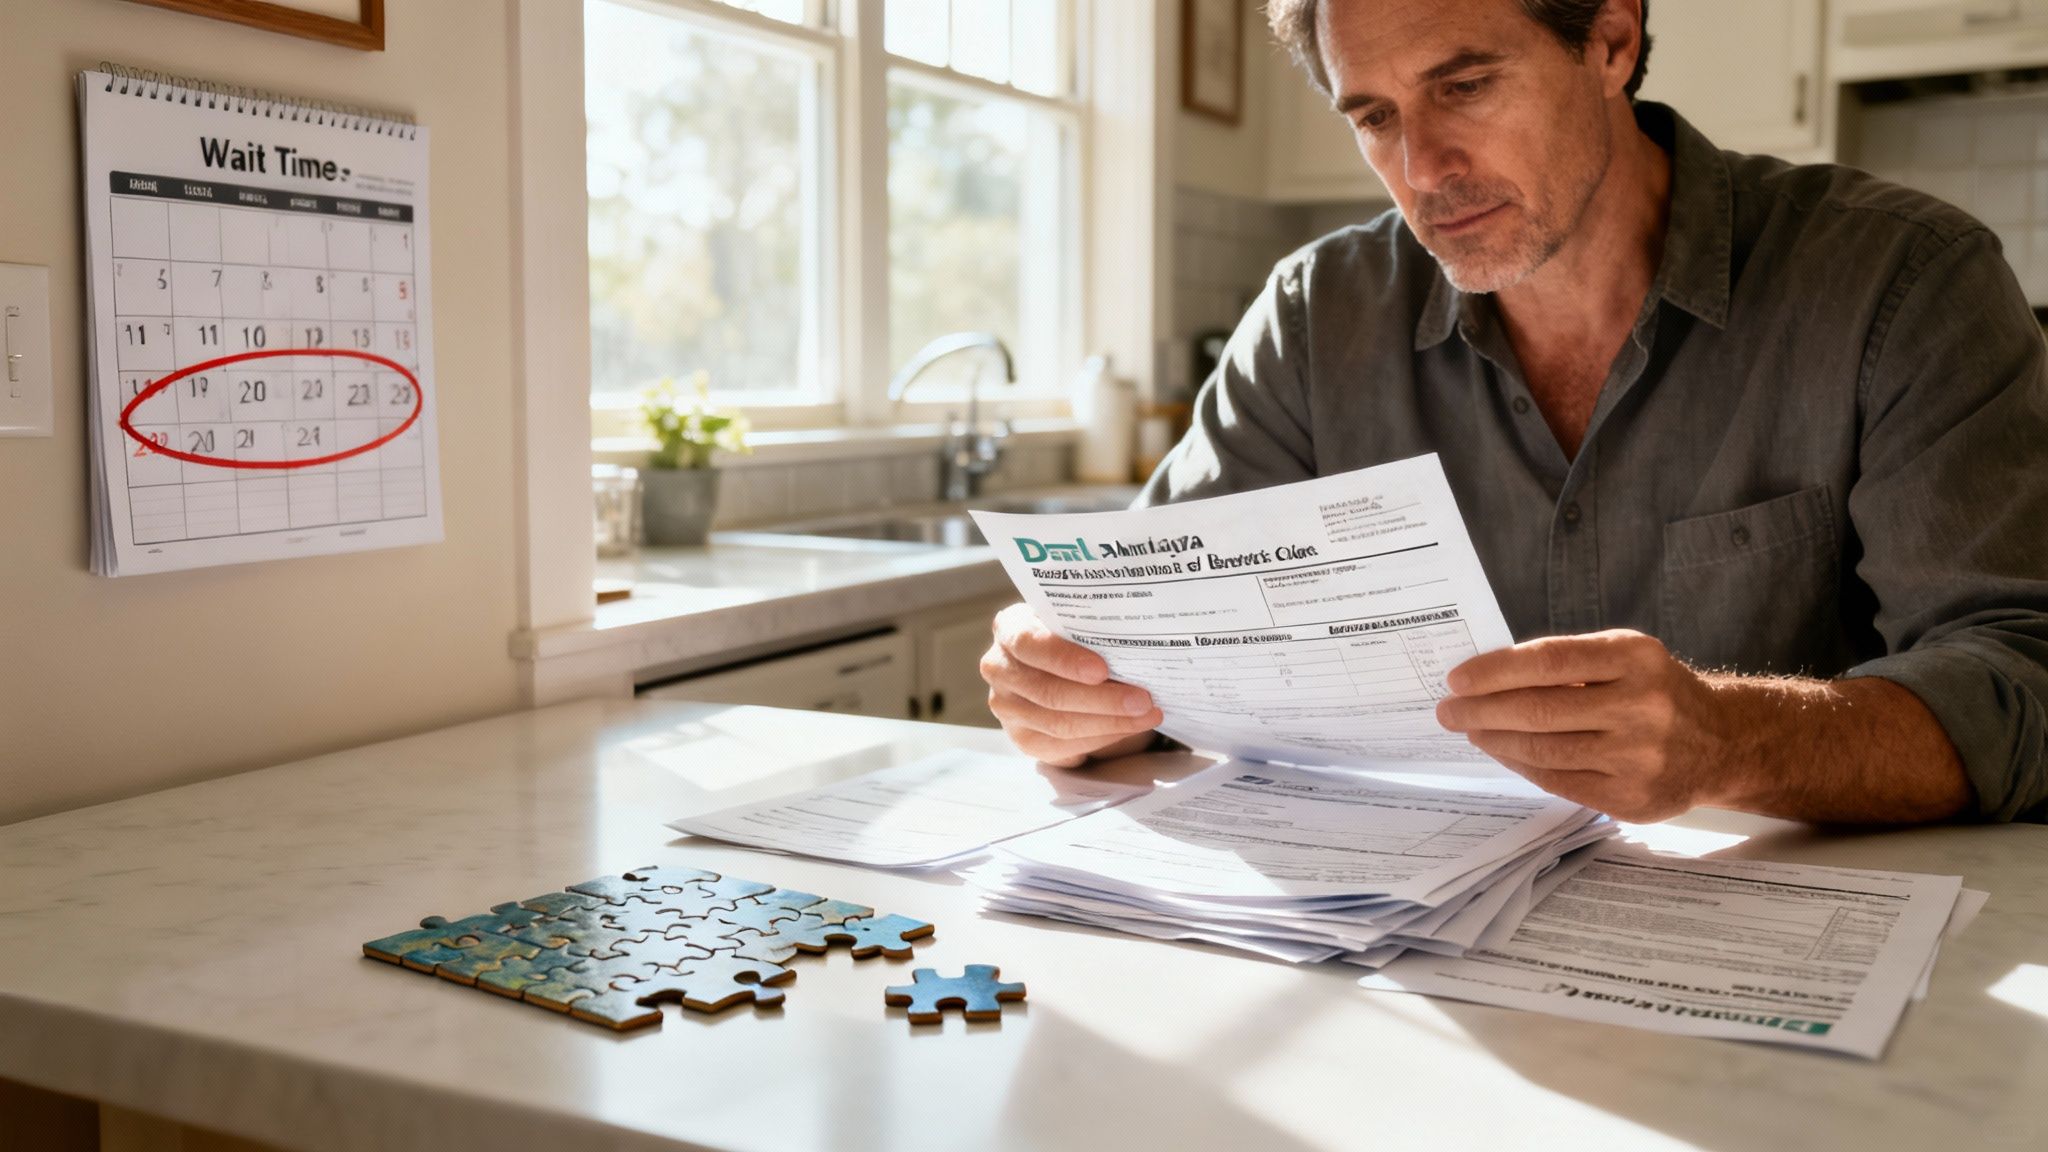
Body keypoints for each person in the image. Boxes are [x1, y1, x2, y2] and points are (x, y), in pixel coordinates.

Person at [980, 0, 2048, 824]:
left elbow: (2020, 678)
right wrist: (1070, 689)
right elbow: (1155, 647)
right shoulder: (1315, 318)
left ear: (1612, 42)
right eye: (1374, 117)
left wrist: (1731, 739)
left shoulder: (1901, 283)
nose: (1422, 169)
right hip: (1402, 954)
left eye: (1466, 86)